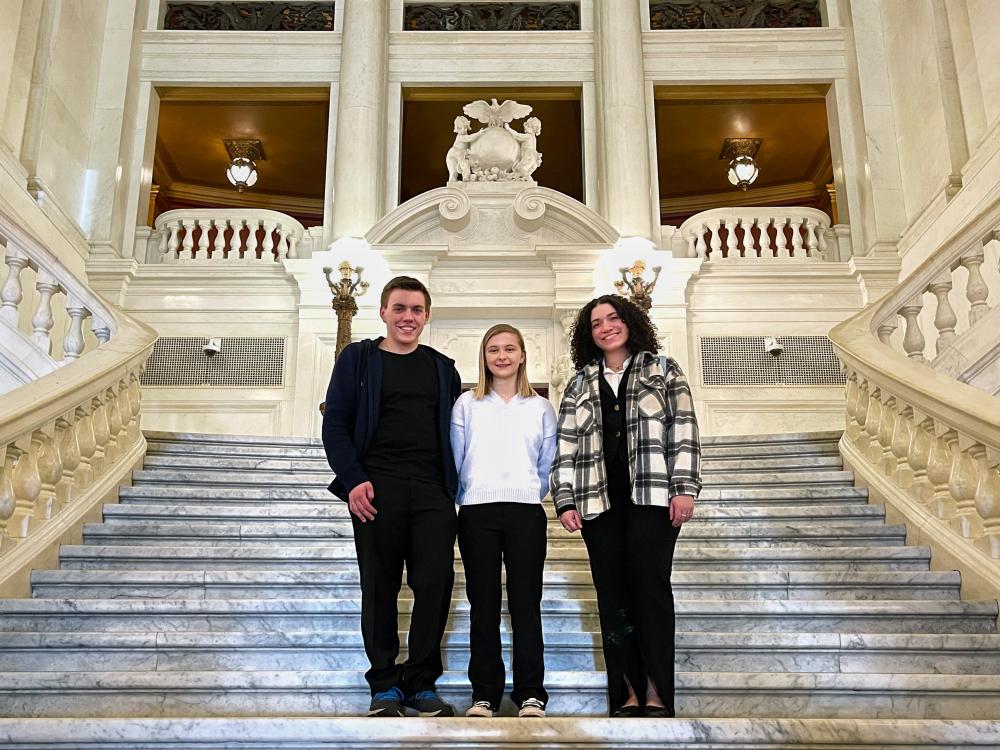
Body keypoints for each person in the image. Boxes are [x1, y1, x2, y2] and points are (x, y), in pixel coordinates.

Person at [549, 294, 702, 718]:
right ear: (588, 334)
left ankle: (657, 690)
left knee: (650, 591)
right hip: (598, 503)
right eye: (596, 323)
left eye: (613, 318)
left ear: (630, 321)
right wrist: (564, 499)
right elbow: (565, 448)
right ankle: (627, 693)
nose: (606, 328)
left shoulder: (664, 370)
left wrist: (684, 488)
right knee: (612, 596)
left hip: (652, 500)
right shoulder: (579, 384)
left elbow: (684, 429)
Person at [322, 276, 462, 718]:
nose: (408, 317)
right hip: (374, 487)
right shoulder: (357, 359)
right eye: (399, 308)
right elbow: (336, 423)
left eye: (417, 310)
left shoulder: (443, 367)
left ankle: (422, 683)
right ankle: (384, 683)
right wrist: (352, 478)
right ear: (383, 312)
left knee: (436, 584)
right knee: (379, 587)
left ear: (426, 316)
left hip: (431, 492)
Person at [450, 324, 556, 719]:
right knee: (484, 604)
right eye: (493, 349)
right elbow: (457, 457)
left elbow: (547, 462)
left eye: (510, 348)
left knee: (526, 604)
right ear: (484, 356)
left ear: (523, 355)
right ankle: (485, 695)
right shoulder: (466, 405)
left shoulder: (541, 407)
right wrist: (470, 494)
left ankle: (531, 693)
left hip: (526, 511)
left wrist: (531, 492)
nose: (502, 356)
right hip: (477, 511)